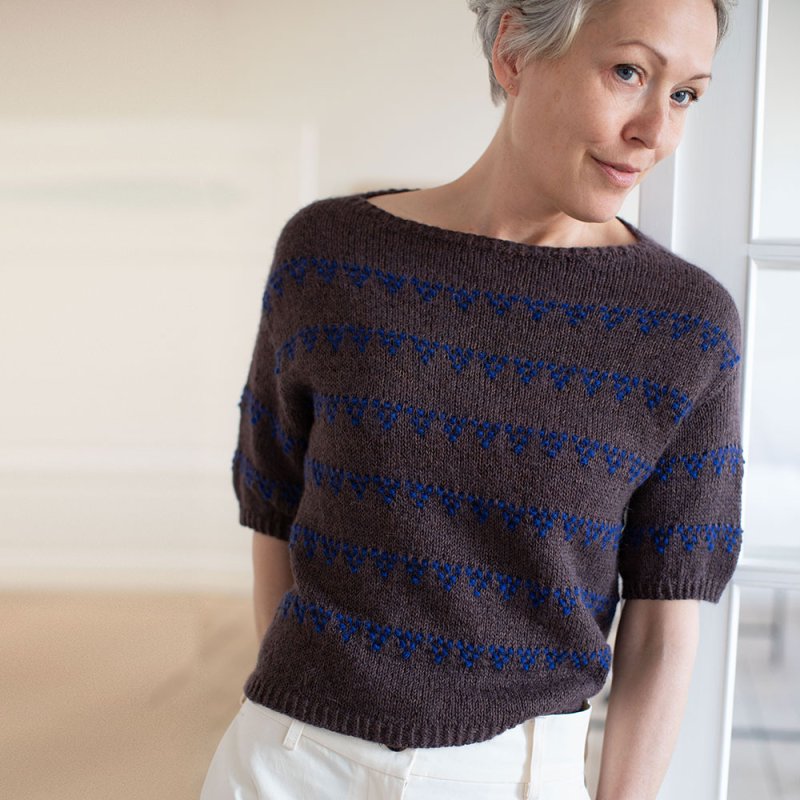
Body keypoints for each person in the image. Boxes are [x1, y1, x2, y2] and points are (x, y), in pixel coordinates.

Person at [201, 0, 743, 797]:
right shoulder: (330, 256)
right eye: (629, 72)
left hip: (514, 775)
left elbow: (665, 622)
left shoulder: (686, 326)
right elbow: (274, 516)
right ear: (514, 50)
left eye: (686, 94)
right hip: (288, 763)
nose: (655, 131)